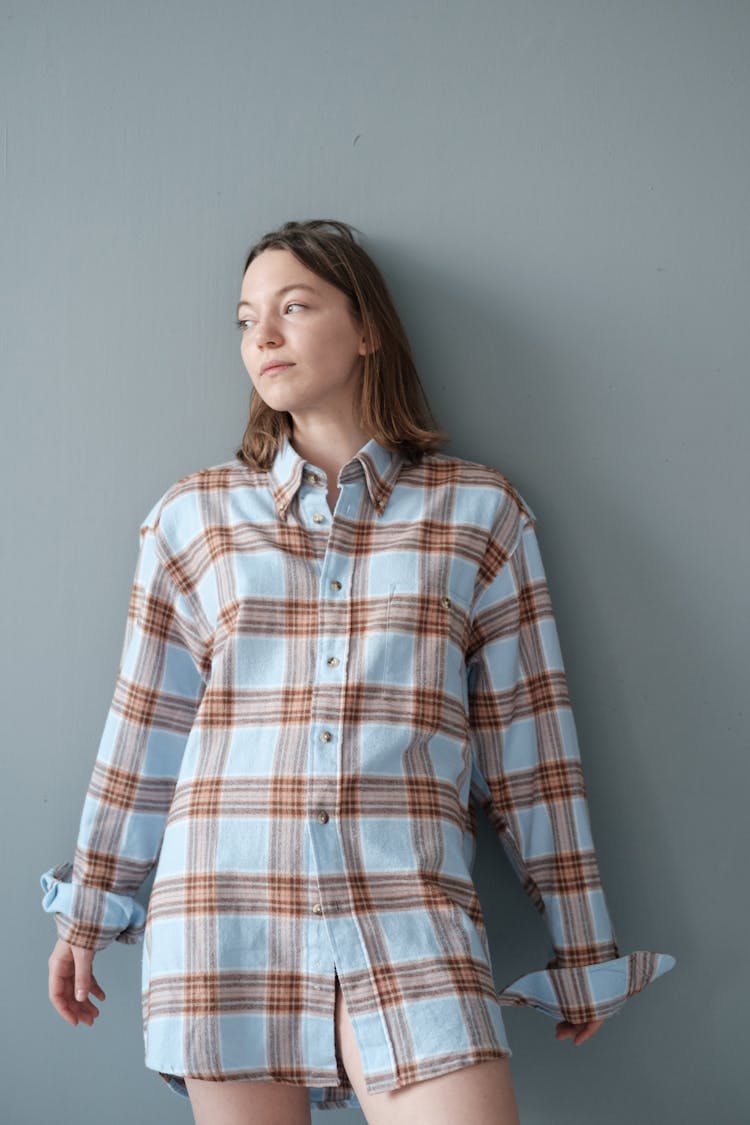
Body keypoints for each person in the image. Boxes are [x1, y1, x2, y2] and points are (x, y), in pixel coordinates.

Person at [43, 219, 675, 1125]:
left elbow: (532, 753)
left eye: (294, 307)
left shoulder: (481, 513)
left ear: (367, 326)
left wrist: (583, 942)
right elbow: (144, 732)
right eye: (245, 317)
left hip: (409, 914)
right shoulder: (193, 519)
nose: (261, 336)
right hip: (225, 921)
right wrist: (88, 912)